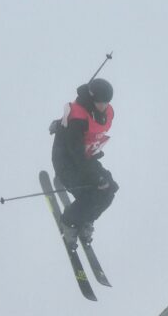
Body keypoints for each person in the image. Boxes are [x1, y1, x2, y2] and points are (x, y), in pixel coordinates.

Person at [49, 77, 118, 249]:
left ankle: (86, 219)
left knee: (110, 189)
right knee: (92, 194)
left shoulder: (105, 112)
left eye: (106, 103)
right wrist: (96, 178)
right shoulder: (77, 118)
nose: (104, 106)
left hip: (86, 159)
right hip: (67, 162)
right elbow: (75, 152)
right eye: (100, 102)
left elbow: (90, 133)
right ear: (92, 98)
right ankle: (68, 221)